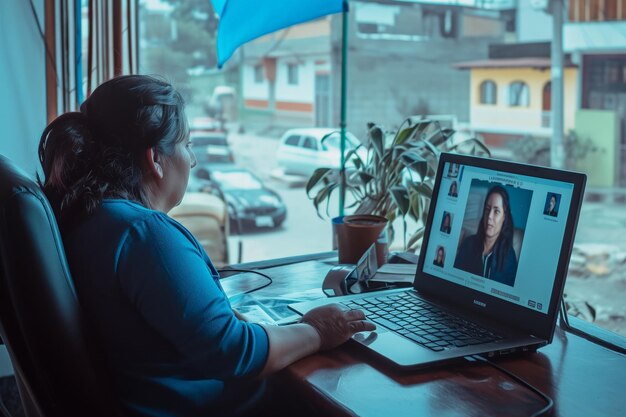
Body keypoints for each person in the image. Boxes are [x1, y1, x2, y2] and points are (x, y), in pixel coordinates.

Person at [37, 75, 375, 417]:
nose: (193, 160)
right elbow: (235, 353)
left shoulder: (89, 218)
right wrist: (317, 331)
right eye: (186, 144)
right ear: (155, 158)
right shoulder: (145, 234)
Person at [453, 185, 518, 286]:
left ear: (504, 216)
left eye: (496, 211)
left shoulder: (510, 255)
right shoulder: (468, 244)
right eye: (487, 209)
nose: (490, 217)